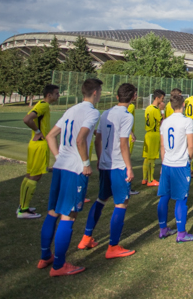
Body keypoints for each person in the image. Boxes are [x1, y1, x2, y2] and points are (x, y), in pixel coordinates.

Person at [37, 78, 102, 277]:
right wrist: (85, 163)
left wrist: (58, 157)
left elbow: (50, 136)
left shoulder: (71, 110)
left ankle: (45, 256)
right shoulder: (92, 112)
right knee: (68, 214)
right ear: (95, 93)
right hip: (74, 169)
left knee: (52, 211)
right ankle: (58, 265)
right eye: (99, 91)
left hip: (60, 167)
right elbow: (80, 139)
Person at [77, 83, 137, 259]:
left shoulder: (105, 113)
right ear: (134, 97)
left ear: (117, 97)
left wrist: (100, 158)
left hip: (105, 164)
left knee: (101, 199)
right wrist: (129, 167)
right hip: (118, 166)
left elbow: (98, 139)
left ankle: (86, 237)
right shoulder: (127, 116)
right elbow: (123, 143)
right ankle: (113, 246)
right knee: (121, 203)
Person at [157, 92, 193, 242]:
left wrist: (163, 162)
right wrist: (188, 159)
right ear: (183, 105)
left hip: (167, 163)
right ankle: (181, 233)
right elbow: (191, 145)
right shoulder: (187, 121)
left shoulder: (165, 122)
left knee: (164, 197)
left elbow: (162, 145)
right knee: (181, 198)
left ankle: (163, 229)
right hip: (181, 165)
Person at [18, 84, 61, 218]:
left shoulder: (41, 104)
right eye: (56, 93)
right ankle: (23, 210)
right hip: (39, 145)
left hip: (35, 144)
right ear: (49, 95)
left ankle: (23, 206)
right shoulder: (43, 105)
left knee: (30, 175)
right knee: (35, 176)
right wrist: (38, 132)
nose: (58, 96)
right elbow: (27, 119)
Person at [142, 89, 166, 187]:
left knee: (147, 158)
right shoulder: (156, 110)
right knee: (152, 158)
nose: (162, 101)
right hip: (154, 134)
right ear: (157, 98)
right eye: (162, 98)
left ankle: (144, 178)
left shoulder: (148, 108)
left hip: (147, 134)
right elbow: (162, 122)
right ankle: (150, 180)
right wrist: (162, 111)